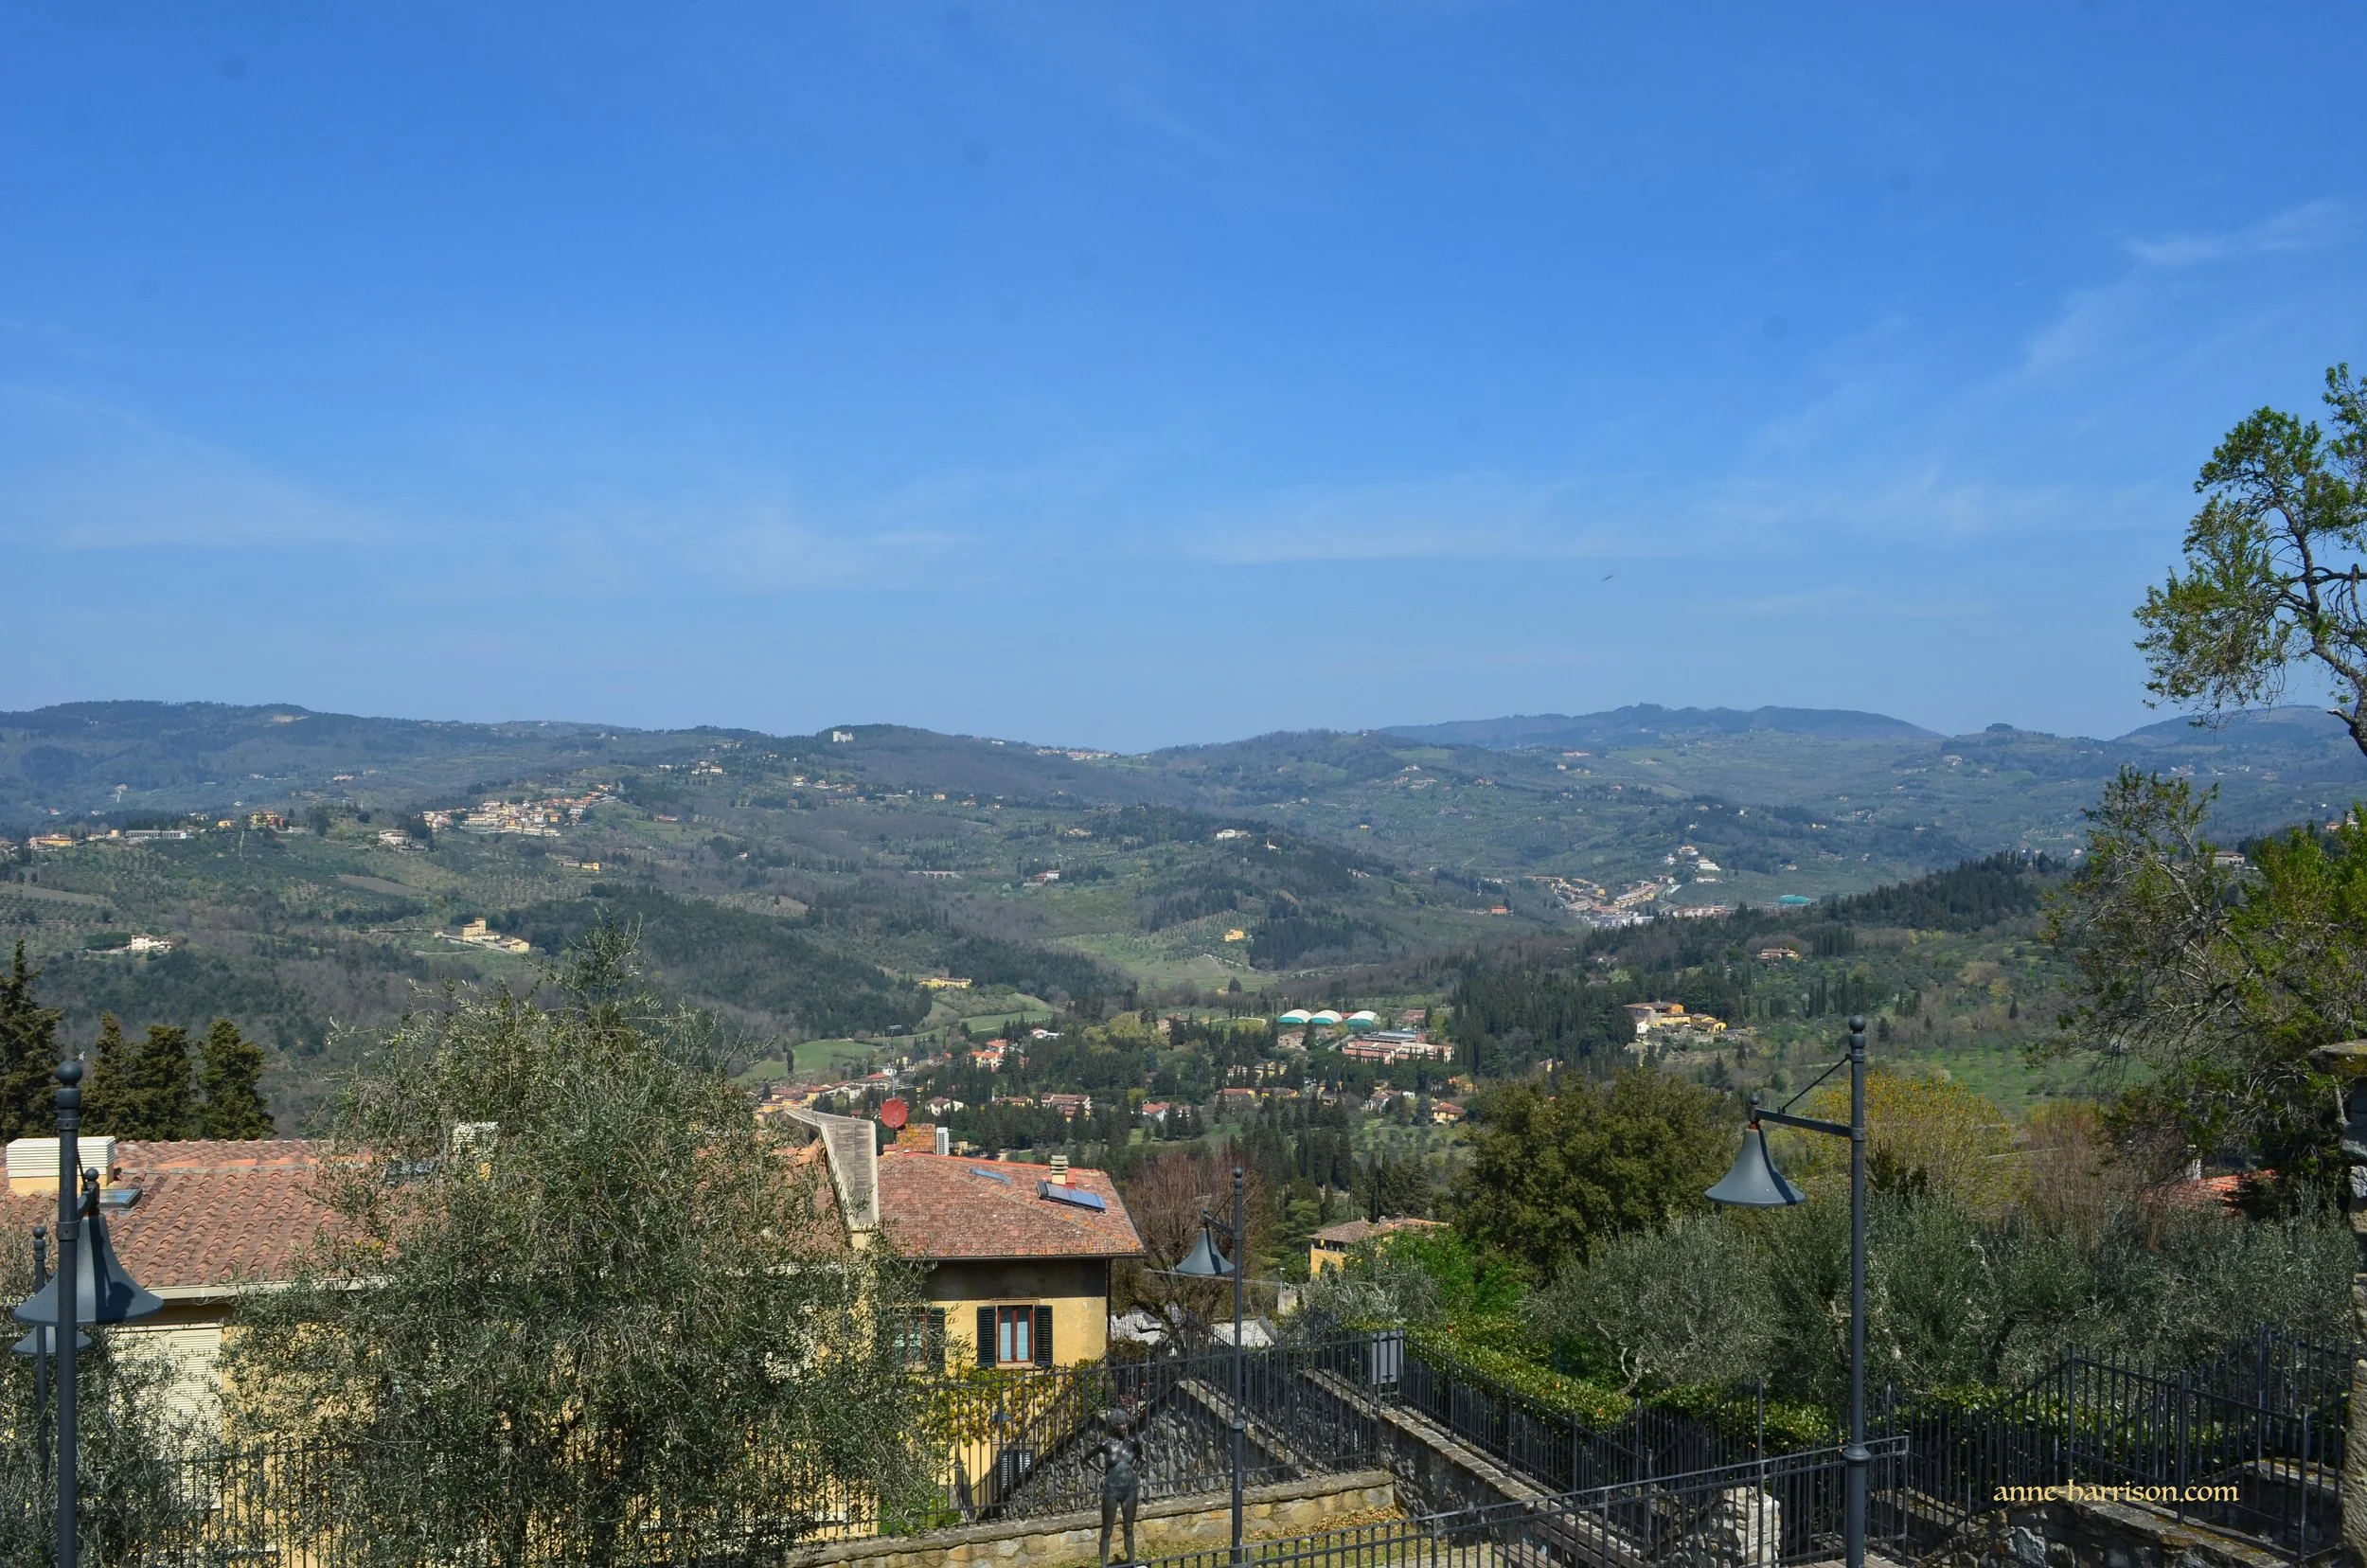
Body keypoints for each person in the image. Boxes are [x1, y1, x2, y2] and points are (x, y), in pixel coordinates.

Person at [1096, 1405, 1146, 1565]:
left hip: (1130, 1490)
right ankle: (1103, 1565)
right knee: (1107, 1530)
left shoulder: (1133, 1442)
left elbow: (1142, 1459)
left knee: (1129, 1528)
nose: (1124, 1427)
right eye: (1120, 1424)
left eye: (1125, 1423)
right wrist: (1102, 1472)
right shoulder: (1105, 1445)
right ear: (1113, 1426)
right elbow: (1085, 1458)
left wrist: (1134, 1473)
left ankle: (1131, 1562)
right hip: (1111, 1491)